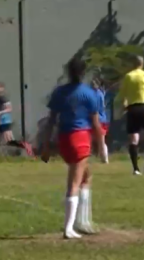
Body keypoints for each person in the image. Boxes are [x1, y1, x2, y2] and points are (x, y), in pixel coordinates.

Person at [40, 58, 103, 239]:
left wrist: (46, 146)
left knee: (86, 176)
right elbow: (96, 123)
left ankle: (82, 221)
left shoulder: (59, 92)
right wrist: (101, 144)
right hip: (80, 137)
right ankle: (69, 228)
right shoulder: (88, 93)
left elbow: (50, 121)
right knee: (74, 182)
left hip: (64, 138)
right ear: (84, 72)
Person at [0, 82, 34, 165]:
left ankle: (26, 146)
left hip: (5, 122)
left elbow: (9, 109)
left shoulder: (4, 99)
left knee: (9, 141)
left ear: (2, 89)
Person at [92, 78, 110, 164]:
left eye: (94, 83)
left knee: (101, 141)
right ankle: (103, 157)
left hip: (99, 120)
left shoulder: (96, 94)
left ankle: (104, 159)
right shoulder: (101, 93)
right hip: (102, 119)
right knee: (100, 141)